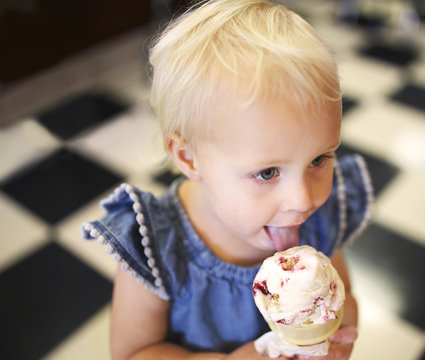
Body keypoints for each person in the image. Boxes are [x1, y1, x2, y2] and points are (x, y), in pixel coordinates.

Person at [82, 0, 373, 359]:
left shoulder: (323, 222)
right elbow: (134, 353)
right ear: (189, 157)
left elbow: (343, 296)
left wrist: (335, 339)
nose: (303, 199)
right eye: (267, 172)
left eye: (319, 159)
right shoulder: (156, 246)